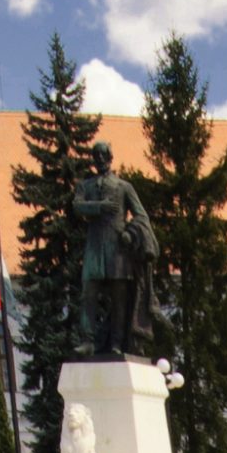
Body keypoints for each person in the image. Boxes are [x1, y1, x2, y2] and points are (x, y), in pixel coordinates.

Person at [74, 142, 160, 357]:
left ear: (110, 158)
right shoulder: (86, 186)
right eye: (96, 156)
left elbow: (141, 215)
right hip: (94, 247)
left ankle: (117, 342)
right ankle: (87, 340)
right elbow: (77, 206)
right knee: (88, 293)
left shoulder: (124, 187)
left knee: (119, 298)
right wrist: (99, 207)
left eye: (104, 156)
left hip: (118, 249)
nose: (100, 160)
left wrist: (130, 233)